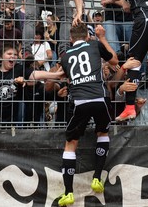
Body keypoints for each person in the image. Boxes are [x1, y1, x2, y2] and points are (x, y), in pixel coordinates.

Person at [43, 23, 118, 206]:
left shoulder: (65, 56)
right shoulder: (94, 44)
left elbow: (65, 77)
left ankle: (68, 192)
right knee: (102, 133)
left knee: (71, 144)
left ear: (70, 39)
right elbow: (114, 61)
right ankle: (97, 177)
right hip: (100, 98)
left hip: (79, 101)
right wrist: (101, 37)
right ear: (87, 36)